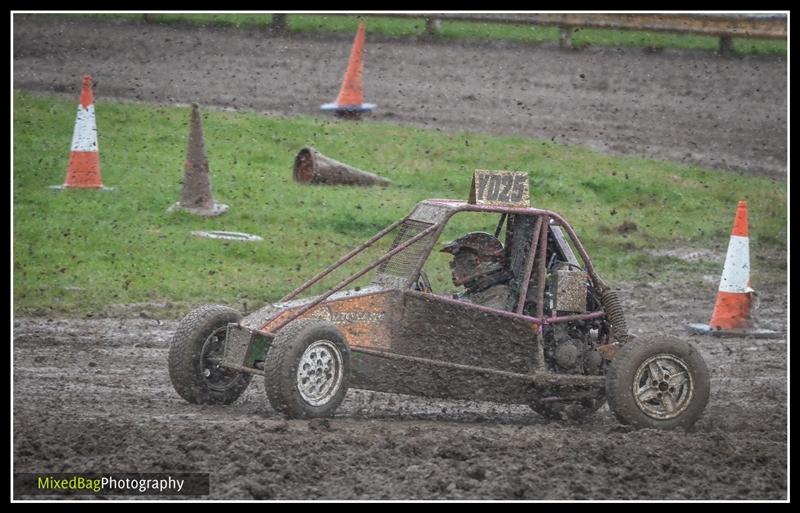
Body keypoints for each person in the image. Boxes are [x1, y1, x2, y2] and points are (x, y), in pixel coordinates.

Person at [440, 232, 513, 311]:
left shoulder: (498, 294)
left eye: (459, 262)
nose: (455, 269)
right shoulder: (477, 291)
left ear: (477, 261)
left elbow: (481, 321)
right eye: (453, 264)